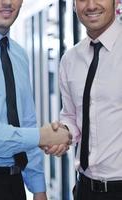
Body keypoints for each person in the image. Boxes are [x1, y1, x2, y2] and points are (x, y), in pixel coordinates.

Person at [0, 0, 72, 200]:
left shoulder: (18, 54)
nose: (7, 2)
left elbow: (26, 122)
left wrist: (38, 188)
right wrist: (40, 136)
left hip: (14, 185)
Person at [59, 0, 122, 199]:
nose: (91, 5)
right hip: (85, 189)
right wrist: (61, 134)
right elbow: (70, 116)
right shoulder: (70, 59)